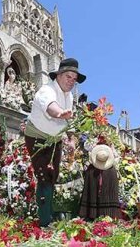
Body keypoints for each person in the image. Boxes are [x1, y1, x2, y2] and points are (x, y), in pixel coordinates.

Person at [24, 57, 86, 227]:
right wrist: (60, 113)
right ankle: (44, 221)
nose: (71, 81)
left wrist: (72, 140)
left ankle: (47, 214)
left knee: (53, 175)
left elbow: (69, 123)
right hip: (37, 137)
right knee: (44, 175)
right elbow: (52, 107)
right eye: (68, 77)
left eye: (74, 79)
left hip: (55, 139)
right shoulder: (47, 90)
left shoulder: (69, 97)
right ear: (58, 75)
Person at [79, 144, 121, 219]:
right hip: (106, 202)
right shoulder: (111, 170)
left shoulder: (110, 170)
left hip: (105, 198)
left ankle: (95, 214)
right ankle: (105, 215)